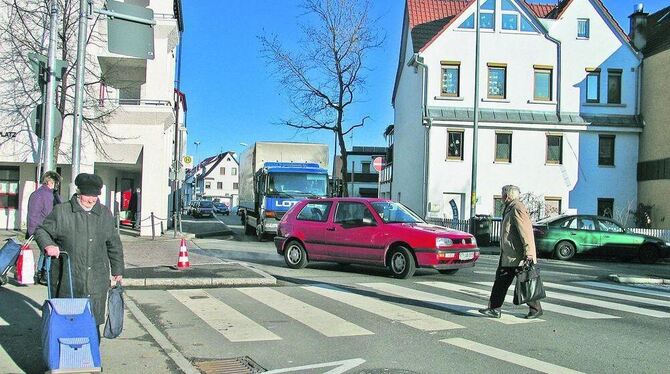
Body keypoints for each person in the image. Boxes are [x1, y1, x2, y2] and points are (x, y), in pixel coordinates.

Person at [34, 173, 124, 336]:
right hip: (68, 279)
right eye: (87, 196)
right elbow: (41, 231)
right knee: (68, 322)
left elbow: (114, 243)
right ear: (78, 192)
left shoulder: (104, 214)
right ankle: (67, 358)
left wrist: (118, 270)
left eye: (94, 197)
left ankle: (92, 359)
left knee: (92, 323)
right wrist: (48, 245)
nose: (91, 200)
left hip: (96, 280)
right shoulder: (62, 211)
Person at [479, 185, 543, 319]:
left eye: (502, 194)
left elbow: (525, 232)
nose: (502, 197)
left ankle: (535, 308)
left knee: (525, 281)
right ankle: (495, 308)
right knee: (502, 282)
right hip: (510, 255)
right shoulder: (510, 207)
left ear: (507, 196)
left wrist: (529, 253)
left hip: (517, 256)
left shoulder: (517, 208)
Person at [26, 171, 62, 239]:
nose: (57, 185)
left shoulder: (55, 194)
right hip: (43, 232)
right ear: (49, 182)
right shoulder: (38, 195)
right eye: (56, 183)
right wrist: (33, 233)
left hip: (54, 232)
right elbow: (33, 215)